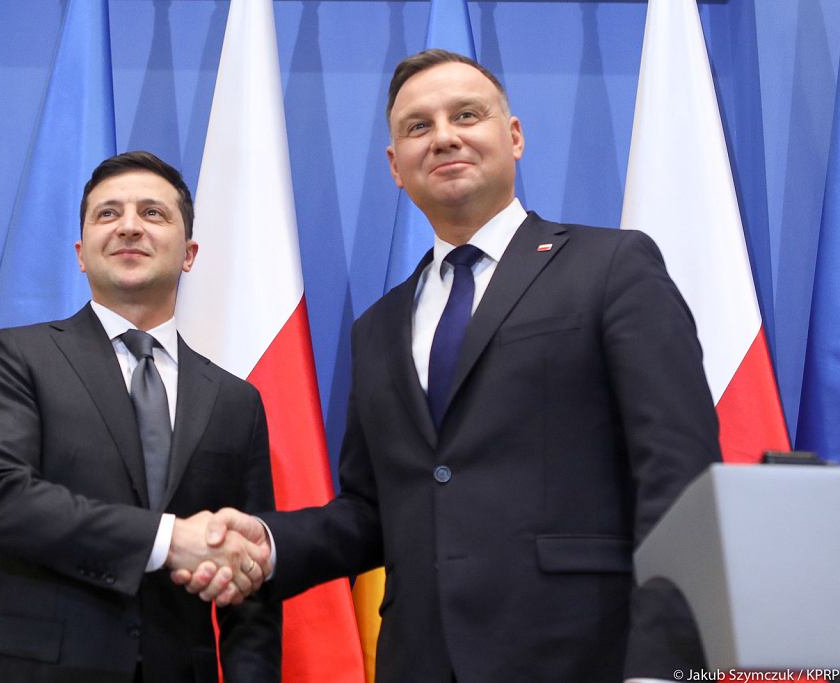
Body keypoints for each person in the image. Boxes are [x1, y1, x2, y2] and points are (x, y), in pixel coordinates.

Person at [179, 49, 720, 682]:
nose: (444, 137)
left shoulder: (612, 267)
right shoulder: (377, 328)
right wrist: (266, 546)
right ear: (395, 167)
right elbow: (373, 513)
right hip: (421, 660)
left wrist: (667, 666)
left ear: (513, 137)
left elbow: (679, 475)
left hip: (586, 654)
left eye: (467, 115)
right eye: (417, 126)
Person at [0, 151, 281, 683]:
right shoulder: (17, 357)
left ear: (189, 252)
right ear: (81, 253)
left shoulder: (236, 400)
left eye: (153, 213)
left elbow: (251, 578)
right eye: (108, 214)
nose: (129, 226)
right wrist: (169, 540)